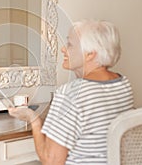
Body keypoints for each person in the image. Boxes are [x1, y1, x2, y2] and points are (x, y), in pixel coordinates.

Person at [8, 20, 134, 164]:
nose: (63, 49)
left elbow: (51, 161)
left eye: (70, 44)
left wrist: (34, 120)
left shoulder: (70, 94)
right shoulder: (123, 84)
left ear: (90, 54)